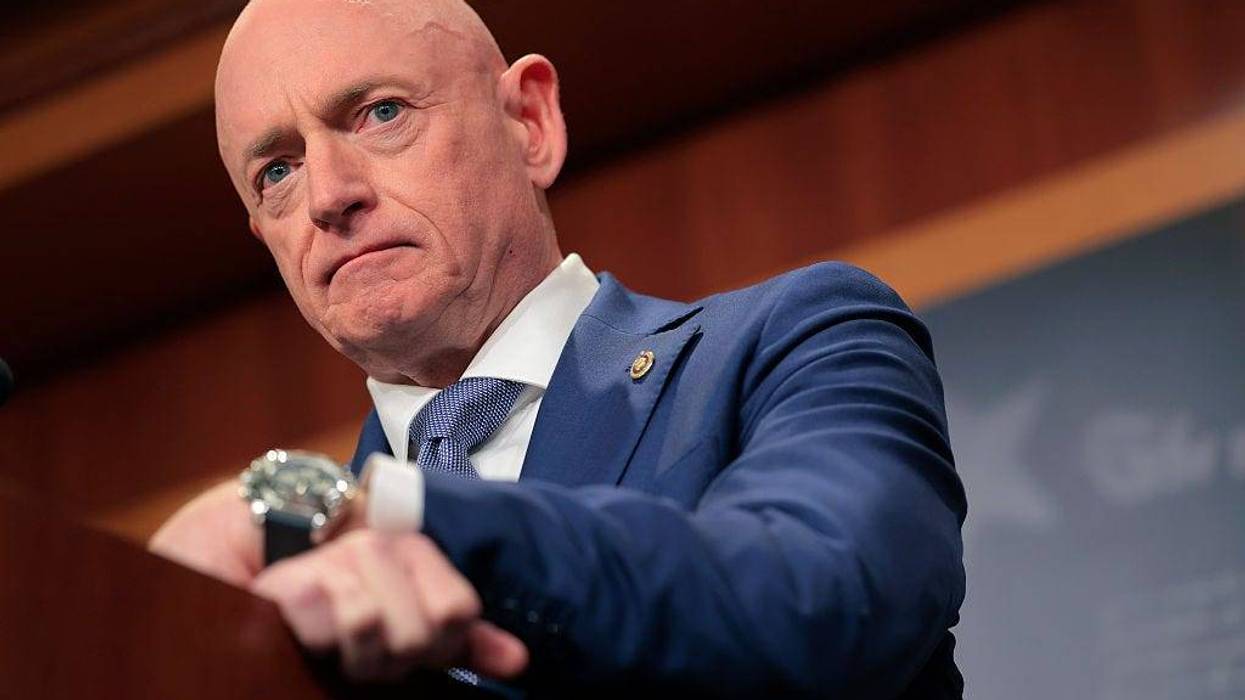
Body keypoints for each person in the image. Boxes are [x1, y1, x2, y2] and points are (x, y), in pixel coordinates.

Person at [149, 0, 968, 696]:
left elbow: (827, 597)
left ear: (529, 123)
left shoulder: (792, 339)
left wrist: (392, 513)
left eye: (380, 114)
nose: (328, 195)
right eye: (277, 171)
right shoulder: (268, 588)